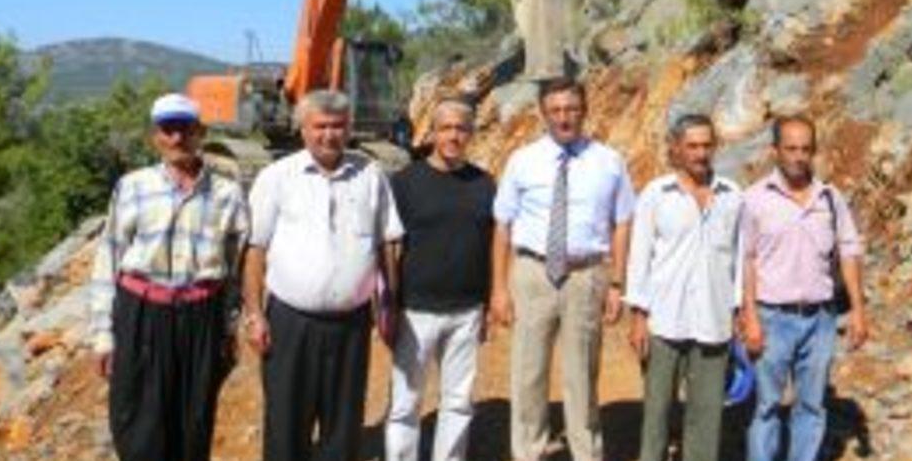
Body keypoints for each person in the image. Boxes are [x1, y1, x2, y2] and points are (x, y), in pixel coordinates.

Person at [241, 90, 404, 461]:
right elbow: (255, 250)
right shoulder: (277, 177)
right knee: (286, 424)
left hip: (352, 325)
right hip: (290, 324)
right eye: (320, 126)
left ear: (349, 128)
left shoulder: (370, 175)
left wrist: (389, 304)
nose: (329, 134)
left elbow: (386, 243)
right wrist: (255, 314)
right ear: (302, 129)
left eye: (338, 126)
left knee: (343, 426)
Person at [88, 93, 250, 461]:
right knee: (137, 425)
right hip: (141, 316)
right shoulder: (132, 187)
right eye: (168, 129)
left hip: (201, 319)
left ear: (200, 133)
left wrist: (228, 329)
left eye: (186, 129)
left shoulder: (227, 194)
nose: (177, 138)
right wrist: (102, 335)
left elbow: (235, 270)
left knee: (193, 424)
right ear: (155, 137)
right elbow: (108, 259)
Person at [489, 77, 636, 461]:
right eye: (555, 110)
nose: (563, 117)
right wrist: (499, 289)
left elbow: (622, 222)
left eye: (571, 108)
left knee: (582, 374)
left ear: (584, 110)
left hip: (586, 276)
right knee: (528, 372)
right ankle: (529, 450)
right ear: (543, 113)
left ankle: (586, 452)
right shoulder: (523, 160)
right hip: (532, 273)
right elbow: (502, 225)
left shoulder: (609, 162)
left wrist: (617, 283)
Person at [741, 115, 869, 461]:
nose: (799, 156)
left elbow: (849, 251)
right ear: (775, 151)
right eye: (791, 148)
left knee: (812, 406)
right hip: (771, 317)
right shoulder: (754, 199)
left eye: (805, 149)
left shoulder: (830, 198)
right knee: (766, 406)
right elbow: (745, 260)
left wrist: (858, 310)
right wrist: (749, 316)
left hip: (821, 319)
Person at [626, 114, 744, 461]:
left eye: (707, 145)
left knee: (706, 416)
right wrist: (638, 317)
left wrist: (738, 311)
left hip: (713, 320)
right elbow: (639, 258)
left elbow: (740, 259)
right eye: (692, 146)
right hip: (665, 320)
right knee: (657, 412)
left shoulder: (732, 196)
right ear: (676, 148)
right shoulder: (656, 194)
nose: (700, 153)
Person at [384, 98, 496, 461]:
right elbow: (390, 247)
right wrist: (389, 303)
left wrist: (489, 302)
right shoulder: (404, 183)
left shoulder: (484, 184)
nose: (453, 136)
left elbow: (491, 245)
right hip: (415, 310)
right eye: (445, 128)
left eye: (461, 128)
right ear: (431, 132)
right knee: (405, 403)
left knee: (458, 402)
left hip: (467, 310)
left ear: (471, 133)